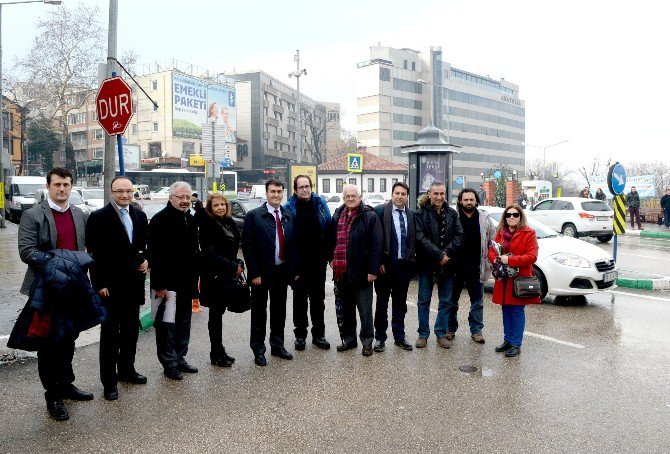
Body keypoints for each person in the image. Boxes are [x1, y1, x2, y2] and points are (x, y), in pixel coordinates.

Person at [17, 168, 93, 421]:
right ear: (48, 186)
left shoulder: (79, 214)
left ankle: (67, 384)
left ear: (72, 187)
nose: (62, 189)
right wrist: (60, 261)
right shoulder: (33, 215)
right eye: (57, 184)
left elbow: (84, 248)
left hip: (74, 287)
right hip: (46, 288)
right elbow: (27, 251)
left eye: (66, 185)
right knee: (49, 344)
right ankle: (53, 395)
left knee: (69, 337)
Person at [86, 176, 149, 401]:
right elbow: (94, 254)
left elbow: (144, 247)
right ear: (111, 192)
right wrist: (99, 284)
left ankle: (126, 370)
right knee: (111, 335)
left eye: (128, 191)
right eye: (120, 191)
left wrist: (146, 261)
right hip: (110, 286)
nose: (124, 195)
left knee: (131, 331)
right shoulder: (98, 218)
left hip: (134, 283)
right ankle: (109, 381)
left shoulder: (140, 216)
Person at [148, 181, 200, 380]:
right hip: (167, 284)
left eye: (188, 197)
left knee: (183, 322)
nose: (185, 201)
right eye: (181, 197)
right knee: (166, 325)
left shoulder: (190, 219)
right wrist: (160, 285)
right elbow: (155, 254)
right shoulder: (160, 220)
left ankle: (180, 357)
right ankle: (169, 363)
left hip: (186, 282)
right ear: (171, 198)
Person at [242, 179, 297, 366]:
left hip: (281, 271)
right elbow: (248, 247)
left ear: (283, 193)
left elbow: (293, 245)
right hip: (261, 273)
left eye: (279, 191)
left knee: (279, 310)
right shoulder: (254, 216)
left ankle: (277, 345)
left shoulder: (288, 215)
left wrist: (293, 270)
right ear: (266, 193)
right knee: (259, 312)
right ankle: (258, 349)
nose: (276, 195)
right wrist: (254, 273)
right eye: (273, 191)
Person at [327, 184, 383, 356]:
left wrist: (373, 270)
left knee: (365, 311)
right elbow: (331, 239)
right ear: (343, 198)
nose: (350, 199)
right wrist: (331, 259)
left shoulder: (370, 215)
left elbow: (377, 244)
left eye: (354, 196)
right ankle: (349, 340)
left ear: (360, 197)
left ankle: (367, 342)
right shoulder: (338, 214)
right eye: (347, 196)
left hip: (362, 272)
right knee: (346, 309)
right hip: (341, 273)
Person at [284, 175, 332, 351]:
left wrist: (328, 256)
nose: (305, 189)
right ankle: (300, 336)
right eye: (301, 187)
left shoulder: (320, 203)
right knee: (299, 301)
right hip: (298, 263)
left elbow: (329, 228)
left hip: (318, 262)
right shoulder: (289, 207)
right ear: (295, 190)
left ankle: (319, 335)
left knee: (318, 300)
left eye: (307, 186)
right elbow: (286, 238)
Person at [414, 181, 464, 349]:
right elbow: (420, 237)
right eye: (436, 193)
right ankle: (423, 334)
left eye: (442, 194)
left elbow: (459, 236)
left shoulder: (452, 213)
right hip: (427, 264)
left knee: (446, 301)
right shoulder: (420, 214)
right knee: (423, 300)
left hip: (448, 264)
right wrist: (438, 254)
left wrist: (446, 254)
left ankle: (441, 333)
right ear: (429, 194)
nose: (439, 197)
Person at [487, 204, 540, 357]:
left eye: (515, 215)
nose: (511, 217)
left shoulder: (529, 233)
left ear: (520, 216)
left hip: (519, 279)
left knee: (517, 311)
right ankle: (508, 340)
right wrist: (496, 258)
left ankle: (516, 343)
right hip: (503, 278)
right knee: (506, 310)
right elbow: (491, 250)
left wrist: (510, 260)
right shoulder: (500, 233)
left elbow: (532, 256)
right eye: (508, 215)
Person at [198, 193, 243, 367]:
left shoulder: (229, 222)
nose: (220, 208)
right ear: (210, 208)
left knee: (219, 314)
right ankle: (215, 352)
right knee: (215, 315)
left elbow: (233, 248)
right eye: (216, 205)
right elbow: (210, 253)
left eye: (223, 204)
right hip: (214, 276)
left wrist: (238, 262)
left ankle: (219, 350)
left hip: (227, 275)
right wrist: (233, 265)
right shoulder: (208, 225)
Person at [371, 182, 416, 352]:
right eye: (397, 193)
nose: (399, 196)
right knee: (382, 304)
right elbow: (375, 240)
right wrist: (379, 262)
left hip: (403, 266)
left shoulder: (411, 214)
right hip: (385, 267)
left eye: (403, 194)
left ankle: (399, 336)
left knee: (400, 304)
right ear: (392, 194)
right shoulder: (381, 212)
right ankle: (380, 338)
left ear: (407, 196)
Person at [451, 188, 496, 345]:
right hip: (455, 268)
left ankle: (476, 330)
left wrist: (490, 260)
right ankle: (450, 329)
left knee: (477, 302)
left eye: (471, 199)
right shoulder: (453, 217)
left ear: (476, 201)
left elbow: (493, 240)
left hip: (477, 268)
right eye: (466, 200)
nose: (469, 202)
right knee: (452, 301)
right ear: (460, 201)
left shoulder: (484, 219)